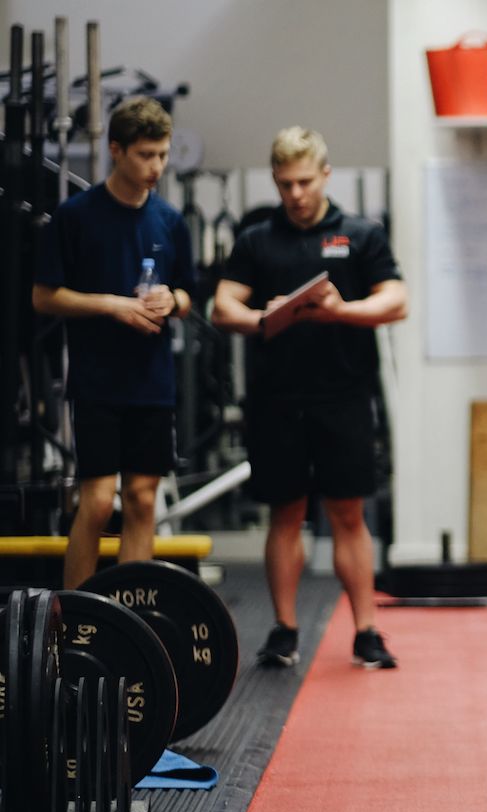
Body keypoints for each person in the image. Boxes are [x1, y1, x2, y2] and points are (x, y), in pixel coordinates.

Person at [211, 127, 407, 670]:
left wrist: (342, 310)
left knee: (348, 513)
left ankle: (366, 631)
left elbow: (396, 300)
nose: (295, 194)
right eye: (285, 184)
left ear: (325, 174)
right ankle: (285, 630)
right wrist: (264, 318)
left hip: (343, 396)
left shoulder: (360, 235)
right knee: (286, 513)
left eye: (304, 182)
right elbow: (222, 306)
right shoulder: (257, 240)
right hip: (277, 400)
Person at [33, 96, 194, 589]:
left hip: (152, 382)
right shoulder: (76, 216)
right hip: (98, 381)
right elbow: (44, 297)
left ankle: (130, 618)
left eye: (162, 154)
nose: (156, 166)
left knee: (143, 499)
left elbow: (189, 294)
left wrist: (172, 300)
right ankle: (72, 616)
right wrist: (112, 305)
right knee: (99, 502)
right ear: (117, 150)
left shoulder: (170, 221)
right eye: (145, 155)